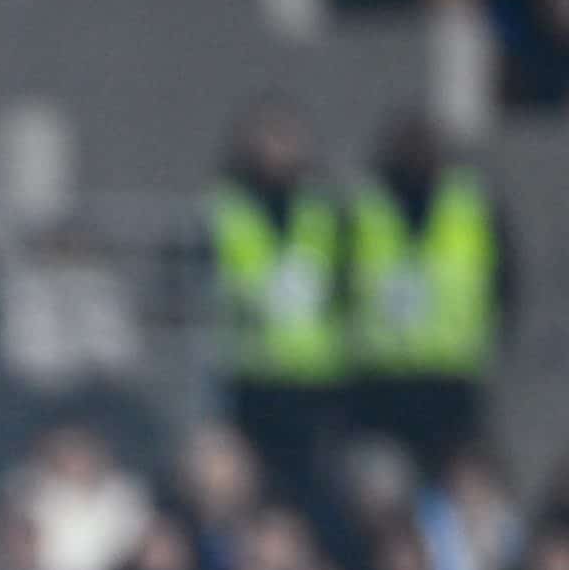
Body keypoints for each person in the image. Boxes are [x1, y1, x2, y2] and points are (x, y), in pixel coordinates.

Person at [344, 110, 509, 489]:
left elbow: (503, 283)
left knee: (451, 488)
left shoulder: (471, 206)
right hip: (380, 382)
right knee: (381, 490)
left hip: (451, 379)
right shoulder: (366, 208)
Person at [205, 99, 348, 524]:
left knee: (309, 488)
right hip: (249, 372)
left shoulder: (324, 212)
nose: (277, 151)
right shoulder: (227, 209)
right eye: (269, 138)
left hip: (313, 377)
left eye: (285, 138)